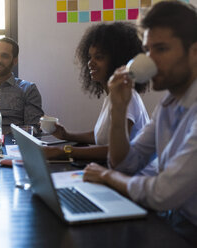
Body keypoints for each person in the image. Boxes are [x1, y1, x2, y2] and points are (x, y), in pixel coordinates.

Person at [83, 1, 197, 245]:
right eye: (147, 50)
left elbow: (160, 194)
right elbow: (124, 164)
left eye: (162, 49)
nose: (150, 60)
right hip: (173, 218)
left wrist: (105, 176)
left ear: (195, 52)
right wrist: (119, 108)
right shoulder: (169, 103)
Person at [44, 22, 149, 161]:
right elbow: (102, 136)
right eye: (90, 57)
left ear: (117, 61)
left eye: (98, 57)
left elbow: (114, 150)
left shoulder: (128, 98)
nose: (90, 63)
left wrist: (64, 151)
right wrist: (67, 135)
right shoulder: (113, 95)